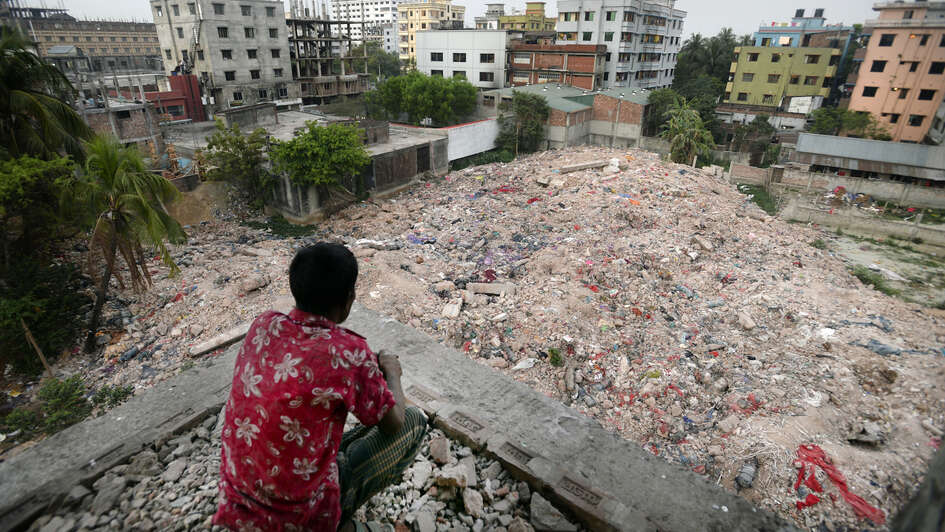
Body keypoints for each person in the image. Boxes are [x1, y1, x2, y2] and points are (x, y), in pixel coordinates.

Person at [213, 242, 428, 531]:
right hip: (299, 518)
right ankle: (338, 519)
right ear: (348, 299)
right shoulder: (349, 352)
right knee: (413, 422)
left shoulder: (264, 324)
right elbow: (393, 423)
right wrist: (392, 372)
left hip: (239, 502)